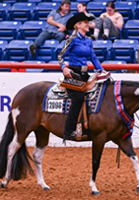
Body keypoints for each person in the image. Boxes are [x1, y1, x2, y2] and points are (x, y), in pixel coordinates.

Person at [58, 12, 106, 142]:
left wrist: (101, 71)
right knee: (78, 98)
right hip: (73, 74)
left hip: (85, 75)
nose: (87, 24)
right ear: (78, 25)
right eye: (85, 22)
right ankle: (70, 130)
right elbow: (60, 56)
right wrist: (64, 68)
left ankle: (90, 127)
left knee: (100, 92)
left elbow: (93, 58)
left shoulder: (88, 41)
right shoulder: (72, 39)